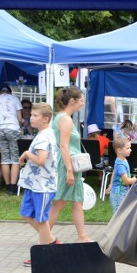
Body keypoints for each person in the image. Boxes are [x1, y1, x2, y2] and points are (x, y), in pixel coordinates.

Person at [46, 86, 92, 243]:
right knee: (60, 203)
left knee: (74, 201)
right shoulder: (65, 119)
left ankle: (82, 236)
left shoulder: (59, 118)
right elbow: (64, 146)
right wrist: (69, 171)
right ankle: (44, 238)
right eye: (81, 100)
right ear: (72, 101)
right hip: (68, 164)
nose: (83, 104)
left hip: (67, 163)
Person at [18, 102, 59, 264]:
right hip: (34, 184)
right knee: (26, 214)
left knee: (42, 219)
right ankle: (51, 241)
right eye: (32, 115)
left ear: (46, 119)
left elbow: (41, 160)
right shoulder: (42, 134)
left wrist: (27, 153)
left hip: (43, 186)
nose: (31, 117)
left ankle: (43, 254)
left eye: (35, 115)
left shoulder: (44, 136)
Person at [0, 85, 23, 196]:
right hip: (13, 128)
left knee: (4, 158)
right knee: (15, 158)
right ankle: (13, 186)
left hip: (1, 129)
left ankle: (8, 185)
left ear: (0, 92)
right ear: (10, 92)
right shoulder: (15, 99)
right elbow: (19, 119)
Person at [108, 137, 137, 213]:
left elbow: (114, 172)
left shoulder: (120, 160)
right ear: (119, 150)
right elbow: (127, 181)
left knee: (122, 213)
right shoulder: (121, 164)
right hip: (118, 194)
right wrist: (135, 179)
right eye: (128, 148)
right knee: (119, 214)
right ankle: (117, 225)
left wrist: (111, 184)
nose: (130, 150)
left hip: (121, 192)